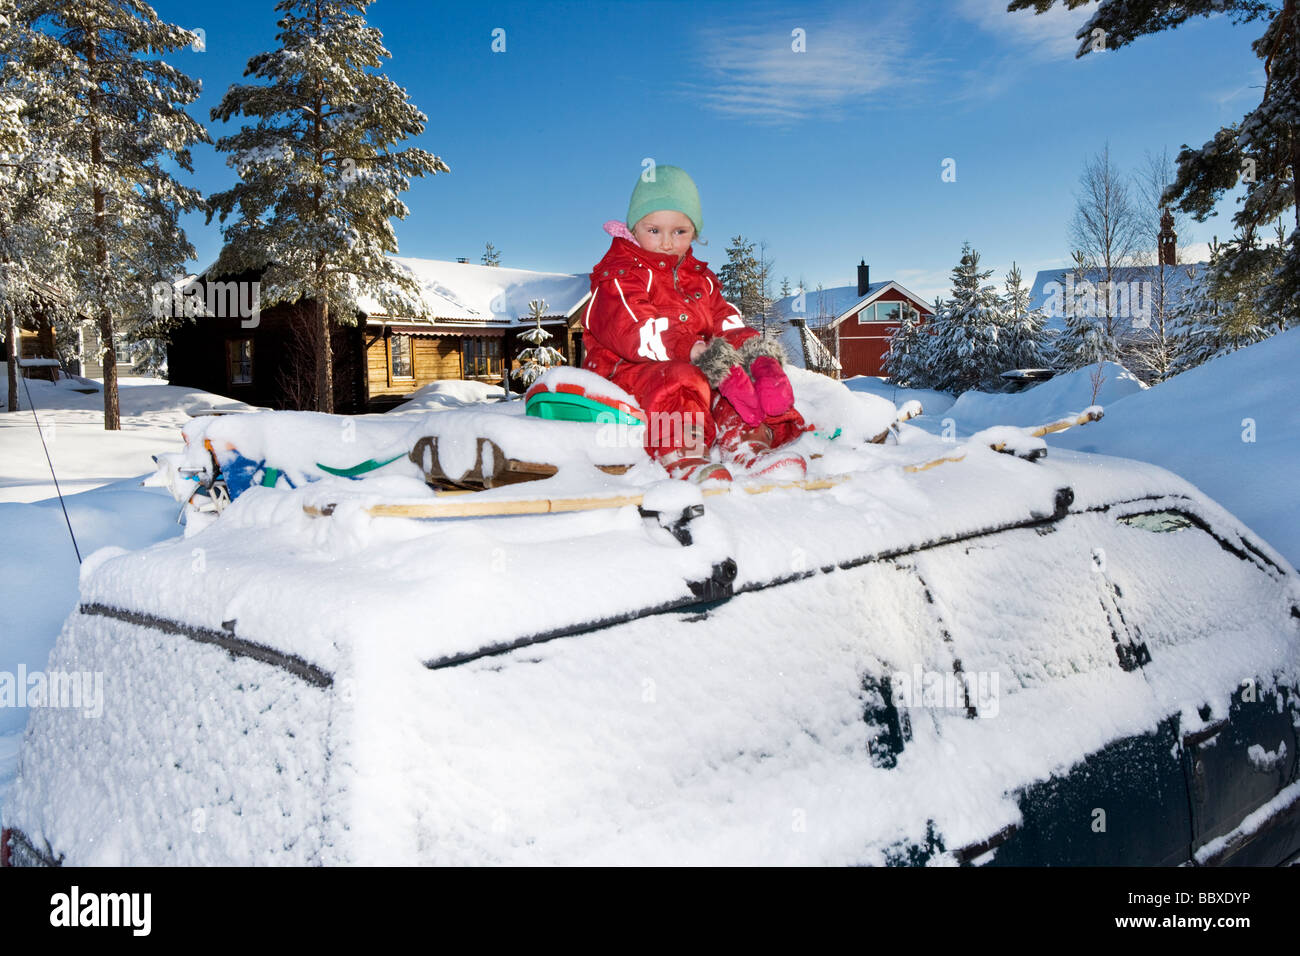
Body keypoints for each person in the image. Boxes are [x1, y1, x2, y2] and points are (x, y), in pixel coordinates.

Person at [583, 165, 811, 483]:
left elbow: (725, 321)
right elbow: (633, 329)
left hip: (691, 360)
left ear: (695, 233)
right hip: (626, 370)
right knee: (684, 378)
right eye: (654, 230)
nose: (667, 242)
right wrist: (690, 349)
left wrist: (756, 355)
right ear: (633, 228)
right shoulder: (618, 274)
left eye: (680, 232)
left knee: (732, 381)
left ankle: (748, 447)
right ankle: (683, 453)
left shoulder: (700, 279)